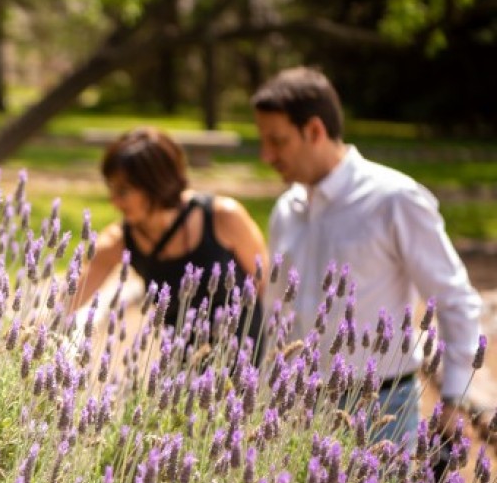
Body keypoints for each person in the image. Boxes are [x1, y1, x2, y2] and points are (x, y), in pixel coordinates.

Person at [251, 66, 483, 454]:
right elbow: (277, 312)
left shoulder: (394, 199)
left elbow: (454, 297)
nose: (266, 155)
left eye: (277, 141)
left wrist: (455, 399)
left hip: (380, 410)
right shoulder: (285, 210)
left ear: (314, 131)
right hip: (296, 410)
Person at [73, 127, 267, 350]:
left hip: (246, 362)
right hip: (181, 372)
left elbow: (264, 283)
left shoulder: (223, 217)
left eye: (123, 191)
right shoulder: (119, 240)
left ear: (156, 184)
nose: (113, 200)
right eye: (111, 189)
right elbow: (69, 300)